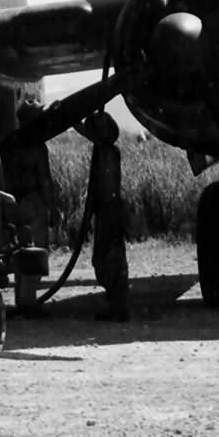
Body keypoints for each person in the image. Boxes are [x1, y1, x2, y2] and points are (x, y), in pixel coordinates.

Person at [4, 99, 54, 315]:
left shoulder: (11, 144)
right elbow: (44, 180)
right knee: (37, 252)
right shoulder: (37, 147)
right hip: (33, 202)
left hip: (14, 203)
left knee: (21, 253)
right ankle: (29, 304)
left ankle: (22, 301)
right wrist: (52, 206)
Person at [80, 109, 129, 322]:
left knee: (108, 259)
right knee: (110, 258)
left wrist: (90, 213)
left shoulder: (105, 154)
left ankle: (117, 307)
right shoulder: (108, 151)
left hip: (108, 211)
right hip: (110, 210)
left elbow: (100, 188)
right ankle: (116, 305)